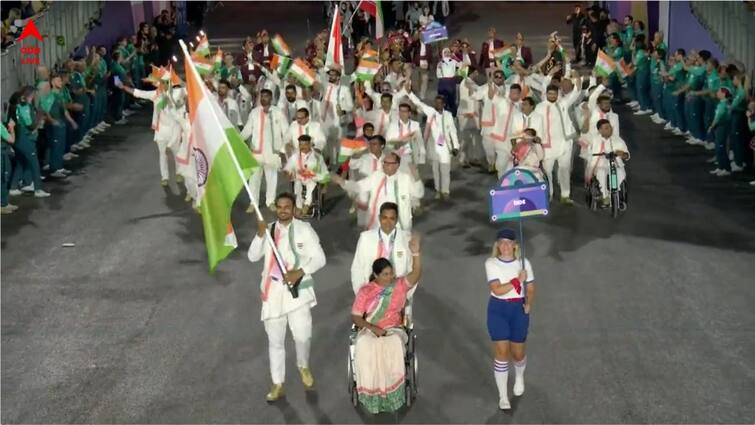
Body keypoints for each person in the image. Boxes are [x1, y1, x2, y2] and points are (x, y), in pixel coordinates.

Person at [247, 192, 327, 402]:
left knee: (302, 336)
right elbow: (252, 256)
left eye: (287, 207)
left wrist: (299, 272)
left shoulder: (304, 229)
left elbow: (320, 259)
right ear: (276, 208)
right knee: (275, 342)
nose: (283, 210)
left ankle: (303, 366)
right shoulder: (268, 229)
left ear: (293, 209)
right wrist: (259, 234)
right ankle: (278, 383)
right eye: (279, 206)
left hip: (297, 292)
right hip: (272, 294)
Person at [351, 239, 422, 414]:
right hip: (370, 328)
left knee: (392, 345)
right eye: (385, 274)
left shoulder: (399, 286)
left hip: (394, 329)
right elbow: (356, 317)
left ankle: (391, 394)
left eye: (391, 273)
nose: (390, 277)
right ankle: (372, 394)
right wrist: (372, 328)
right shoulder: (365, 291)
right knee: (365, 345)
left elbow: (416, 273)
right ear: (375, 275)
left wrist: (416, 253)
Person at [485, 228, 536, 410]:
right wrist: (516, 280)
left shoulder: (525, 263)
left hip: (518, 309)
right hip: (498, 309)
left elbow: (530, 288)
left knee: (518, 353)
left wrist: (529, 303)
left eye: (509, 242)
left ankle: (520, 376)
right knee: (501, 351)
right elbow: (497, 289)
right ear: (497, 245)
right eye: (502, 242)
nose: (505, 245)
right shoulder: (491, 263)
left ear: (515, 245)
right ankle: (503, 396)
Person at [118, 74, 186, 186]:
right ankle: (165, 177)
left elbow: (190, 88)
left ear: (170, 83)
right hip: (161, 130)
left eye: (167, 82)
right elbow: (138, 93)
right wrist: (124, 87)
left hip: (174, 128)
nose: (164, 85)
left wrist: (179, 80)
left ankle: (179, 173)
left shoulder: (177, 93)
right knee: (162, 153)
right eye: (162, 82)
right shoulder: (155, 94)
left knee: (177, 152)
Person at [333, 151, 424, 230]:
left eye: (389, 163)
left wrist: (416, 176)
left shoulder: (405, 179)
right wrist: (342, 182)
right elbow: (359, 186)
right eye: (384, 162)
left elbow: (418, 193)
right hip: (377, 225)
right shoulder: (377, 176)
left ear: (397, 165)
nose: (385, 165)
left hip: (400, 226)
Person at [240, 88, 287, 212]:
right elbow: (247, 130)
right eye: (262, 96)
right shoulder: (254, 113)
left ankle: (270, 201)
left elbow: (286, 133)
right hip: (256, 152)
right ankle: (253, 203)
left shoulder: (278, 112)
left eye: (266, 96)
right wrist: (238, 140)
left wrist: (282, 151)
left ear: (271, 98)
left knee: (271, 178)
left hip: (273, 152)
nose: (263, 99)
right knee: (254, 179)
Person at [350, 202, 413, 294]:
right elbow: (357, 268)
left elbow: (412, 269)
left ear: (396, 220)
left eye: (392, 218)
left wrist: (406, 296)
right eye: (384, 218)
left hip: (399, 296)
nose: (388, 222)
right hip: (372, 296)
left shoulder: (406, 238)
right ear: (379, 218)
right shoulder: (366, 238)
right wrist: (361, 295)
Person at [408, 87, 459, 200]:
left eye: (440, 103)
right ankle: (437, 190)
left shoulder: (448, 115)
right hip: (434, 148)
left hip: (445, 147)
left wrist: (456, 146)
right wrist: (409, 93)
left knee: (445, 170)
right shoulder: (431, 112)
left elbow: (453, 131)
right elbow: (419, 103)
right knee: (435, 171)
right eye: (436, 103)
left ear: (444, 104)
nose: (437, 105)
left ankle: (445, 191)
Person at [535, 83, 581, 204]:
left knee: (564, 169)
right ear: (546, 94)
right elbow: (535, 124)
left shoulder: (563, 104)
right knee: (547, 171)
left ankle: (565, 195)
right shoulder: (540, 107)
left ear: (558, 94)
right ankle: (549, 194)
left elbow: (576, 93)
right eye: (549, 93)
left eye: (554, 94)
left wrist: (576, 78)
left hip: (564, 143)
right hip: (547, 145)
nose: (552, 96)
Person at [7, 87, 49, 198]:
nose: (33, 97)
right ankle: (38, 189)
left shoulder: (15, 106)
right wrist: (39, 116)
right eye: (32, 95)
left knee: (21, 161)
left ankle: (14, 187)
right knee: (34, 161)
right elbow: (30, 125)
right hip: (22, 138)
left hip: (17, 137)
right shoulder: (24, 107)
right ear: (26, 96)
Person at [586, 119, 630, 206]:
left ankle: (614, 193)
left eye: (610, 127)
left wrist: (623, 154)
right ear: (600, 130)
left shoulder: (618, 140)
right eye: (606, 128)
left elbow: (627, 155)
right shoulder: (594, 140)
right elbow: (589, 153)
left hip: (615, 164)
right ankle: (605, 196)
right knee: (601, 173)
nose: (610, 129)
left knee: (619, 173)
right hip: (600, 164)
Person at [284, 135, 329, 215]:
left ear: (309, 144)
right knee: (297, 184)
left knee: (311, 184)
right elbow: (288, 167)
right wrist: (288, 173)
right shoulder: (295, 156)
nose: (302, 147)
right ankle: (299, 206)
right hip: (299, 178)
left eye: (304, 144)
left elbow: (324, 171)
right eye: (300, 144)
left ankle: (307, 205)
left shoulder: (317, 156)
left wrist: (325, 185)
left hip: (312, 178)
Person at [436, 48, 460, 116]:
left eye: (448, 52)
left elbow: (461, 66)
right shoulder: (440, 63)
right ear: (443, 54)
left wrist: (456, 58)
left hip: (451, 82)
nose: (447, 54)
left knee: (452, 99)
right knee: (442, 100)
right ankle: (442, 114)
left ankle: (454, 115)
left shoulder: (454, 61)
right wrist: (439, 68)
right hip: (443, 82)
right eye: (445, 52)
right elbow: (438, 75)